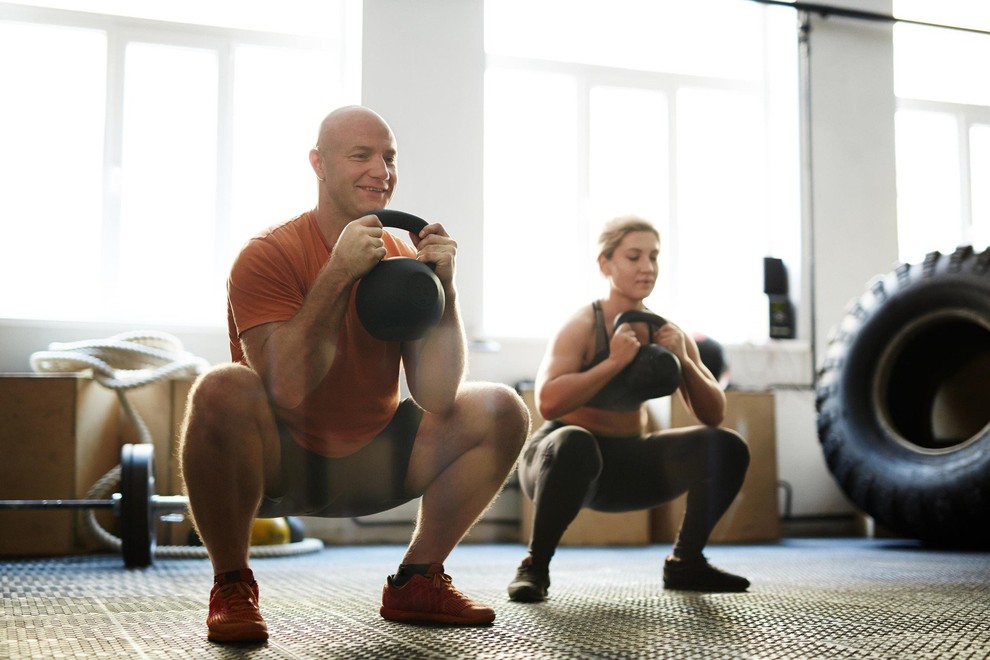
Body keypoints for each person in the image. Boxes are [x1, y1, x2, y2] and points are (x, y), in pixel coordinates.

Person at [179, 105, 529, 643]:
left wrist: (446, 291)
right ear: (318, 164)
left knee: (501, 407)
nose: (380, 170)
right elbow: (285, 387)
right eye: (360, 155)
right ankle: (232, 586)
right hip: (284, 464)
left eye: (389, 157)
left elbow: (436, 395)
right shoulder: (268, 255)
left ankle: (418, 579)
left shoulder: (402, 258)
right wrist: (339, 272)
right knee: (222, 388)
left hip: (377, 461)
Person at [507, 215, 751, 603]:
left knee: (728, 446)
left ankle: (685, 563)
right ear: (605, 265)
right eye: (634, 257)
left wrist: (685, 361)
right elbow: (548, 401)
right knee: (574, 441)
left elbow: (712, 415)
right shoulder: (583, 323)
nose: (647, 267)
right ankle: (534, 566)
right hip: (561, 461)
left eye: (653, 257)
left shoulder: (669, 330)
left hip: (628, 464)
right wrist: (613, 362)